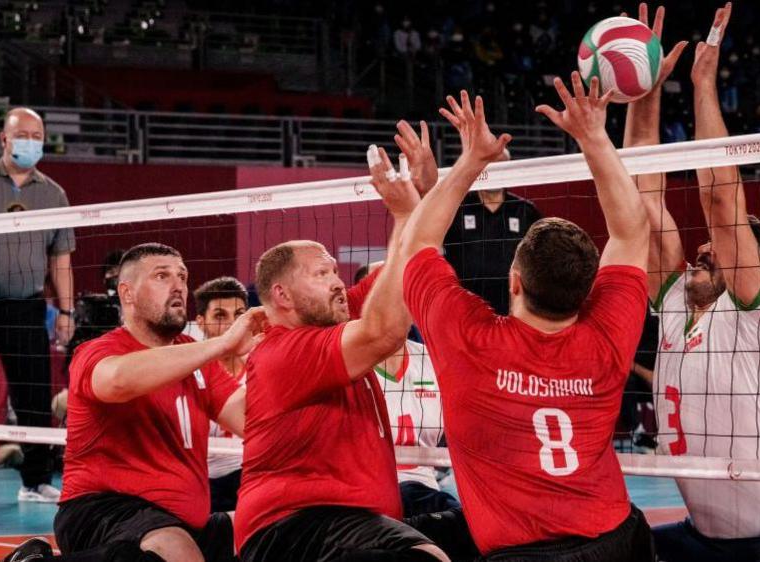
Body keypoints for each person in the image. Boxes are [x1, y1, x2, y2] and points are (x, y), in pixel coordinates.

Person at [393, 73, 653, 559]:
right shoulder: (607, 337)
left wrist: (470, 159)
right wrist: (595, 137)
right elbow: (633, 231)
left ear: (515, 280)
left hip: (523, 553)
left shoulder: (467, 342)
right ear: (588, 289)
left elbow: (416, 243)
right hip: (618, 541)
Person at [627, 4, 760, 560]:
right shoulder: (676, 300)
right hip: (706, 539)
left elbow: (720, 198)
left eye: (719, 249)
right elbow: (640, 198)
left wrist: (703, 84)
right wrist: (643, 88)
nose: (702, 248)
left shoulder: (759, 308)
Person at [234, 155, 448, 562]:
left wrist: (423, 200)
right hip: (294, 528)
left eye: (334, 270)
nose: (337, 281)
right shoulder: (285, 351)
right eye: (321, 274)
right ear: (282, 296)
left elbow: (402, 273)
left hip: (342, 521)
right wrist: (407, 214)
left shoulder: (329, 317)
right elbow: (384, 331)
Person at [24, 243, 262, 562]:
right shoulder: (98, 351)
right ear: (127, 294)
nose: (178, 284)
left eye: (182, 276)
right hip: (102, 510)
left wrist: (277, 354)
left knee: (272, 528)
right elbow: (118, 380)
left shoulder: (195, 355)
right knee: (177, 551)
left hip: (184, 520)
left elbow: (252, 419)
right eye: (162, 276)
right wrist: (222, 344)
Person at [0, 107, 75, 502]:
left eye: (37, 134)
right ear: (4, 140)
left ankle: (35, 481)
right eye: (21, 134)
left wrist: (66, 311)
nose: (30, 141)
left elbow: (61, 259)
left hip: (27, 305)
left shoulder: (54, 193)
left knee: (33, 395)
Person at [358, 261, 459, 518]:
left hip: (426, 494)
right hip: (366, 497)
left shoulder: (435, 361)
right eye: (385, 292)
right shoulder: (347, 364)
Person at [442, 160, 541, 315]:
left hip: (512, 307)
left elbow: (538, 261)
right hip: (464, 307)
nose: (495, 172)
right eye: (490, 166)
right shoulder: (457, 208)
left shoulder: (524, 211)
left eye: (500, 166)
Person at [193, 276, 249, 512]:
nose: (232, 325)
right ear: (200, 322)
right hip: (196, 481)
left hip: (244, 479)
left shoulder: (262, 368)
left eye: (239, 315)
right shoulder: (186, 372)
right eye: (219, 316)